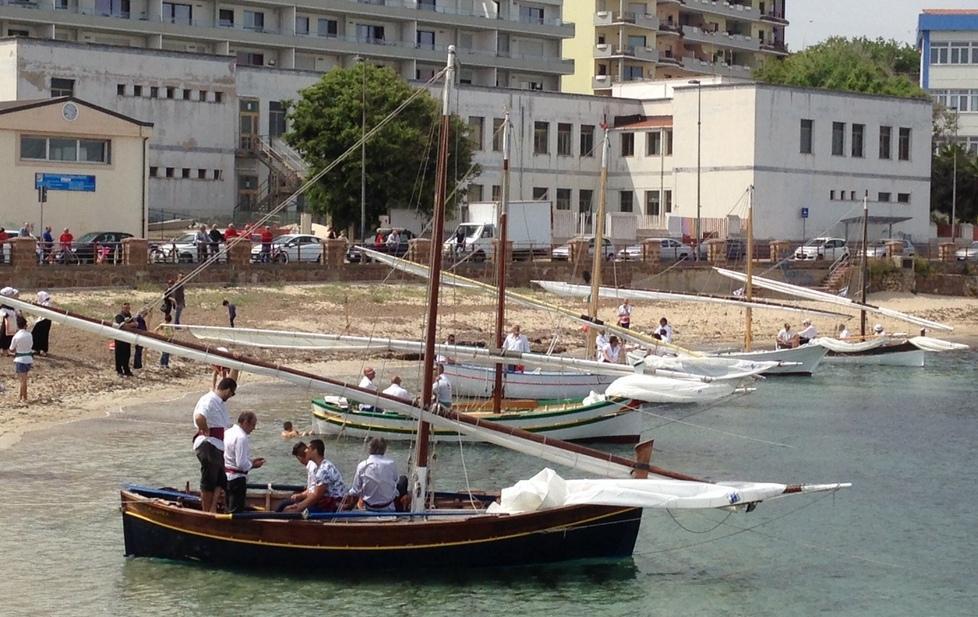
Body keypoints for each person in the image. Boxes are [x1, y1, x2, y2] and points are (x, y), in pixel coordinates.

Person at [192, 376, 237, 513]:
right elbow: (199, 417)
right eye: (232, 393)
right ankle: (206, 513)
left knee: (221, 480)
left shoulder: (220, 404)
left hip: (218, 445)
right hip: (209, 444)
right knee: (209, 480)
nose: (231, 396)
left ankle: (212, 509)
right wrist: (205, 429)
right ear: (228, 390)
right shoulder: (209, 399)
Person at [285, 439, 346, 513]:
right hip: (328, 502)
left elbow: (316, 496)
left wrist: (298, 507)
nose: (305, 451)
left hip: (334, 507)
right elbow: (315, 495)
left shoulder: (323, 470)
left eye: (308, 448)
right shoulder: (322, 465)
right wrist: (299, 505)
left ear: (315, 451)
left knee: (290, 511)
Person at [224, 411, 265, 513]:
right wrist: (253, 465)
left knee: (229, 507)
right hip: (237, 479)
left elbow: (232, 457)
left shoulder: (228, 432)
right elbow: (241, 464)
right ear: (246, 422)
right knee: (236, 512)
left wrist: (250, 461)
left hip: (226, 476)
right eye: (253, 425)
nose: (253, 428)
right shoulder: (241, 437)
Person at [345, 438, 398, 512]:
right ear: (384, 449)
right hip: (388, 507)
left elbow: (355, 490)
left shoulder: (362, 465)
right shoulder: (391, 464)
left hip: (369, 507)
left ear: (369, 449)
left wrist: (346, 494)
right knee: (402, 481)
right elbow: (395, 480)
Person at [275, 441, 319, 512]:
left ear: (299, 457)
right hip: (314, 498)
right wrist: (301, 494)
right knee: (286, 502)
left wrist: (300, 496)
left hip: (315, 502)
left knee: (282, 505)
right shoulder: (313, 464)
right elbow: (312, 488)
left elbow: (313, 492)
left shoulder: (312, 466)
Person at [9, 315, 33, 403]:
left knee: (22, 381)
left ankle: (23, 398)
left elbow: (11, 349)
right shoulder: (29, 334)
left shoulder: (16, 336)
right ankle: (22, 397)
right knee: (24, 380)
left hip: (20, 359)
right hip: (28, 359)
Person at [113, 302, 135, 377]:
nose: (127, 309)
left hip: (127, 338)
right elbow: (121, 325)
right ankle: (119, 370)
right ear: (122, 308)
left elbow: (134, 323)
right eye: (125, 308)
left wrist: (133, 324)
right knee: (119, 355)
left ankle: (126, 370)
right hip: (119, 338)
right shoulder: (119, 316)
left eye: (128, 308)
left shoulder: (129, 315)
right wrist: (131, 325)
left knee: (127, 355)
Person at [31, 291, 53, 356]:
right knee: (36, 334)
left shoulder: (47, 304)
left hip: (45, 320)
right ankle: (36, 349)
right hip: (41, 320)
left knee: (43, 335)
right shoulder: (43, 303)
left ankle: (43, 350)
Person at [1, 287, 20, 357]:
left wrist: (17, 313)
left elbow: (15, 309)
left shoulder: (11, 303)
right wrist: (6, 315)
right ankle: (4, 350)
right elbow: (2, 311)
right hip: (7, 322)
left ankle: (8, 349)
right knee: (4, 335)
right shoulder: (4, 304)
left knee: (11, 336)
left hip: (12, 321)